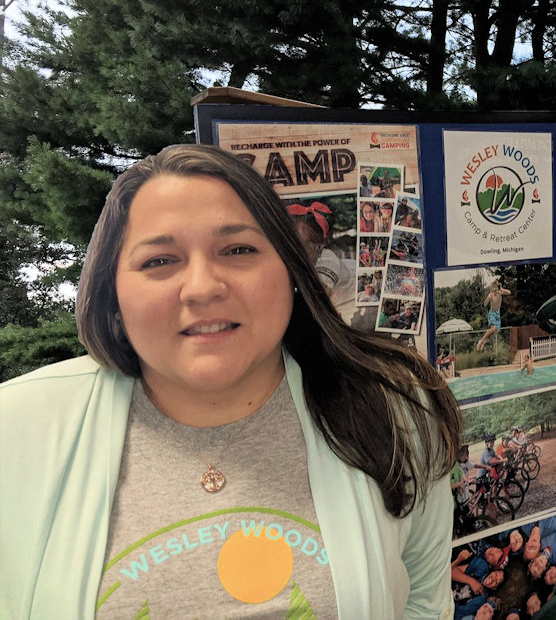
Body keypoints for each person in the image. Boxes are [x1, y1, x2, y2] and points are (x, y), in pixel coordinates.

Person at [0, 144, 462, 618]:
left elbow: (423, 604)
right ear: (111, 290)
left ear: (291, 271)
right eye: (159, 260)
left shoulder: (395, 411)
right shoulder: (14, 431)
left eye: (239, 249)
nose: (202, 287)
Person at [477, 280, 511, 351]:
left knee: (495, 332)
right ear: (492, 289)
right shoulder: (491, 295)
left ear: (498, 288)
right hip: (492, 313)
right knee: (492, 329)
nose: (495, 290)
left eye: (496, 288)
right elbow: (485, 304)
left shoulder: (500, 292)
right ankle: (481, 341)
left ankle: (484, 342)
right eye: (493, 288)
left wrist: (502, 289)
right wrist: (488, 299)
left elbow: (509, 292)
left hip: (498, 314)